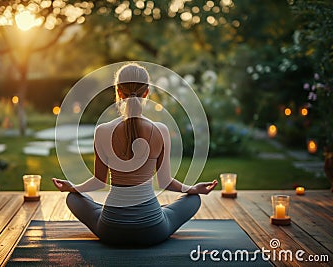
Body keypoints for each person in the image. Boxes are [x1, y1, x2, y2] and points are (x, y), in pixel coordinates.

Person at [52, 62, 218, 246]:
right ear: (147, 92)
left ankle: (105, 209)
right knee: (193, 200)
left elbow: (99, 182)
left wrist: (72, 188)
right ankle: (158, 210)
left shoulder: (102, 131)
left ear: (118, 92)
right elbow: (165, 182)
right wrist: (192, 189)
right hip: (153, 231)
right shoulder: (161, 131)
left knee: (73, 198)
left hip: (111, 230)